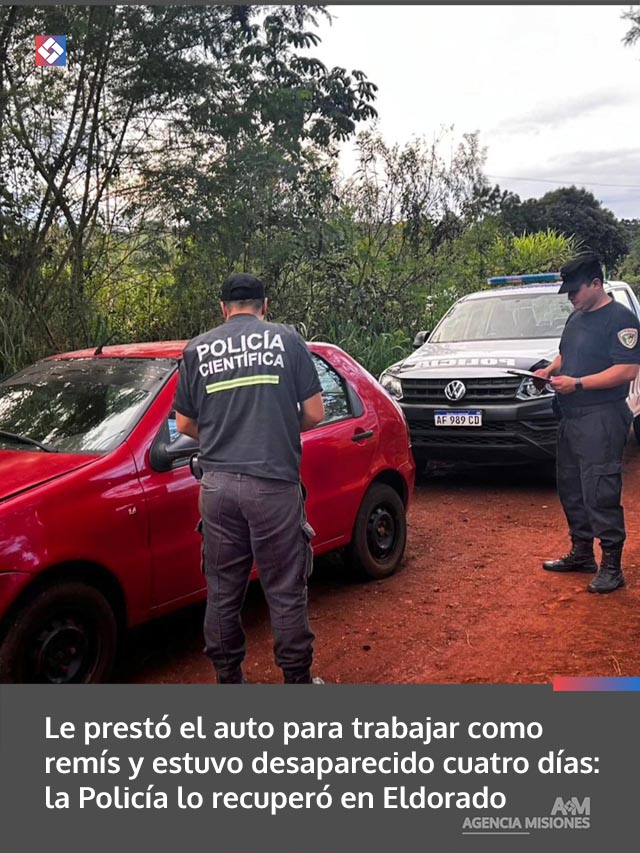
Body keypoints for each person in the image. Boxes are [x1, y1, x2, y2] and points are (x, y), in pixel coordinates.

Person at [174, 273, 325, 682]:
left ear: (223, 309)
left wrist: (226, 432)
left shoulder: (196, 349)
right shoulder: (287, 340)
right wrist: (272, 426)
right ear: (265, 305)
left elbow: (185, 423)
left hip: (217, 486)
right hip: (273, 485)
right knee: (284, 590)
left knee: (222, 591)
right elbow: (314, 413)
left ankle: (230, 681)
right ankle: (297, 681)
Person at [535, 252, 640, 593]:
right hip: (571, 416)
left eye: (575, 290)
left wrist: (577, 383)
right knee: (572, 486)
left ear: (596, 284)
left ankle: (612, 564)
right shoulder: (576, 318)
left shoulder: (621, 320)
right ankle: (582, 553)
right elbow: (568, 354)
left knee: (600, 488)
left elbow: (627, 369)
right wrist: (549, 371)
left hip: (602, 416)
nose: (571, 297)